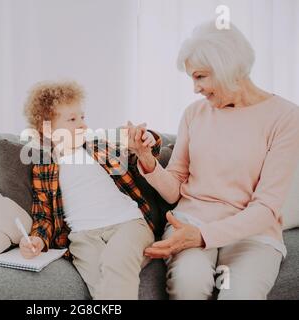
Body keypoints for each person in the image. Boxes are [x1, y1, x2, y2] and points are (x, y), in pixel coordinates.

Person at [131, 21, 299, 299]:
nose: (195, 88)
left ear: (227, 69)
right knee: (189, 285)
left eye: (200, 77)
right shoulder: (194, 113)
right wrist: (146, 158)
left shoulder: (286, 117)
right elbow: (174, 188)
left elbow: (267, 207)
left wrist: (204, 235)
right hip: (189, 221)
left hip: (252, 233)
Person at [19, 81, 160, 299]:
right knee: (101, 285)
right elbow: (43, 214)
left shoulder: (99, 144)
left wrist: (147, 137)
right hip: (83, 237)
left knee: (116, 261)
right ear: (47, 129)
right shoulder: (43, 165)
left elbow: (137, 149)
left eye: (82, 117)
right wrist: (37, 239)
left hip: (128, 224)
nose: (82, 125)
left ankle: (131, 254)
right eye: (72, 119)